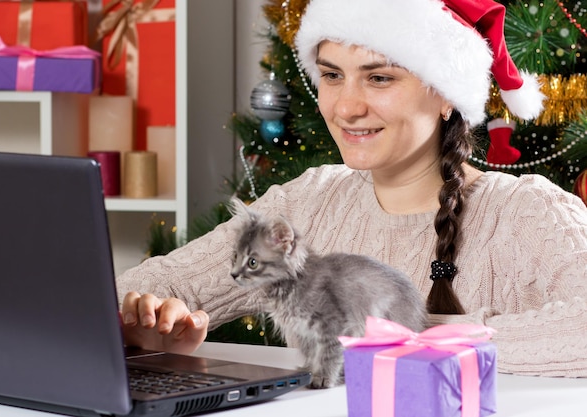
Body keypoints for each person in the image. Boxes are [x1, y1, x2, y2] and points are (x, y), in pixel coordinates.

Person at [117, 0, 587, 376]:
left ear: (446, 93)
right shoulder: (309, 202)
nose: (346, 108)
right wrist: (147, 324)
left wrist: (414, 341)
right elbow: (145, 287)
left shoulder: (529, 214)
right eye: (331, 75)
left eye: (379, 77)